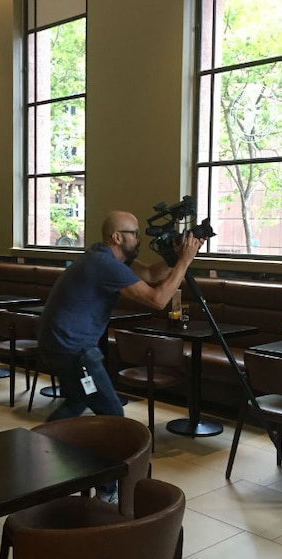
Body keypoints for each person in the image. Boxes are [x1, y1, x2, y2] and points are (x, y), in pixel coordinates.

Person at [38, 210, 203, 502]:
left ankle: (34, 456)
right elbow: (159, 299)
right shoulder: (105, 265)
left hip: (61, 345)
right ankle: (107, 490)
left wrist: (174, 258)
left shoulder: (108, 259)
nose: (138, 238)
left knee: (76, 402)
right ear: (116, 237)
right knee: (114, 417)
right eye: (133, 233)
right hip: (74, 351)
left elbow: (152, 275)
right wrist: (186, 260)